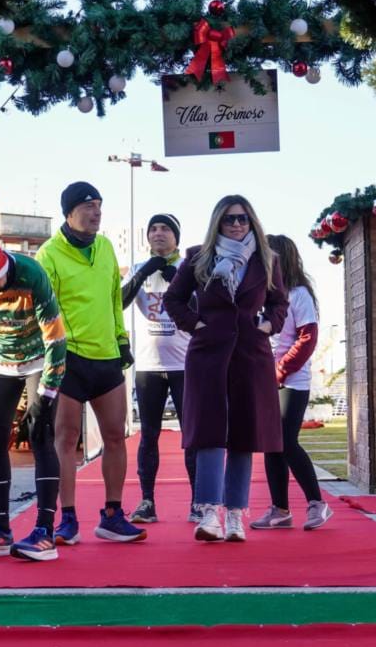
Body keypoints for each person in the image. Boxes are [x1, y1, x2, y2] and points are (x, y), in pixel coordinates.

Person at [164, 195, 288, 542]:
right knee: (209, 433)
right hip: (208, 355)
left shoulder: (267, 260)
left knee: (243, 436)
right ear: (218, 222)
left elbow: (280, 302)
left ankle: (235, 516)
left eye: (243, 219)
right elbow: (174, 299)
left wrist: (268, 326)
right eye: (230, 219)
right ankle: (209, 514)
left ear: (252, 223)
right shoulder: (197, 257)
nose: (236, 225)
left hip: (251, 354)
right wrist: (195, 325)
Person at [35, 181, 146, 544]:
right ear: (69, 212)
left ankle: (113, 515)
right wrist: (56, 351)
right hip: (69, 359)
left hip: (107, 358)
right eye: (88, 206)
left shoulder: (106, 247)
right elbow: (43, 310)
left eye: (99, 205)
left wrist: (122, 339)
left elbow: (115, 299)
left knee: (116, 436)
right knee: (66, 439)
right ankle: (67, 519)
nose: (96, 212)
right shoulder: (49, 254)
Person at [0, 232, 66, 561]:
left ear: (6, 265)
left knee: (41, 434)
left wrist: (47, 390)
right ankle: (0, 530)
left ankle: (45, 532)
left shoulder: (32, 274)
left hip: (38, 359)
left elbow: (56, 337)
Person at [251, 235, 333, 530]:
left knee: (286, 441)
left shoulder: (299, 294)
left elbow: (307, 338)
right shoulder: (261, 294)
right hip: (263, 380)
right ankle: (280, 509)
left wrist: (281, 371)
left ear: (281, 258)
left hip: (292, 381)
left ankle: (317, 504)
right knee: (271, 445)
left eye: (268, 254)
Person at [120, 214, 198, 523]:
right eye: (153, 228)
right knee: (148, 435)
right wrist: (142, 276)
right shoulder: (140, 267)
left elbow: (202, 308)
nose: (158, 233)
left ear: (176, 237)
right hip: (148, 366)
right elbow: (120, 302)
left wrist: (176, 284)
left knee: (191, 436)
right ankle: (147, 501)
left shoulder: (188, 268)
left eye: (165, 228)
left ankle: (197, 502)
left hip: (184, 364)